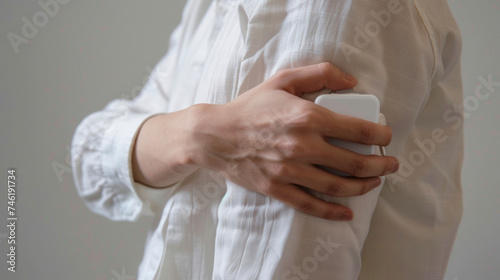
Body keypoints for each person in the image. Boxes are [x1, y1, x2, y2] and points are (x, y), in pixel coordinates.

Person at [72, 0, 464, 279]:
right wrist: (197, 133)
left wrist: (181, 139)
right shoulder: (209, 7)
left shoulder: (332, 8)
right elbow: (93, 158)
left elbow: (282, 259)